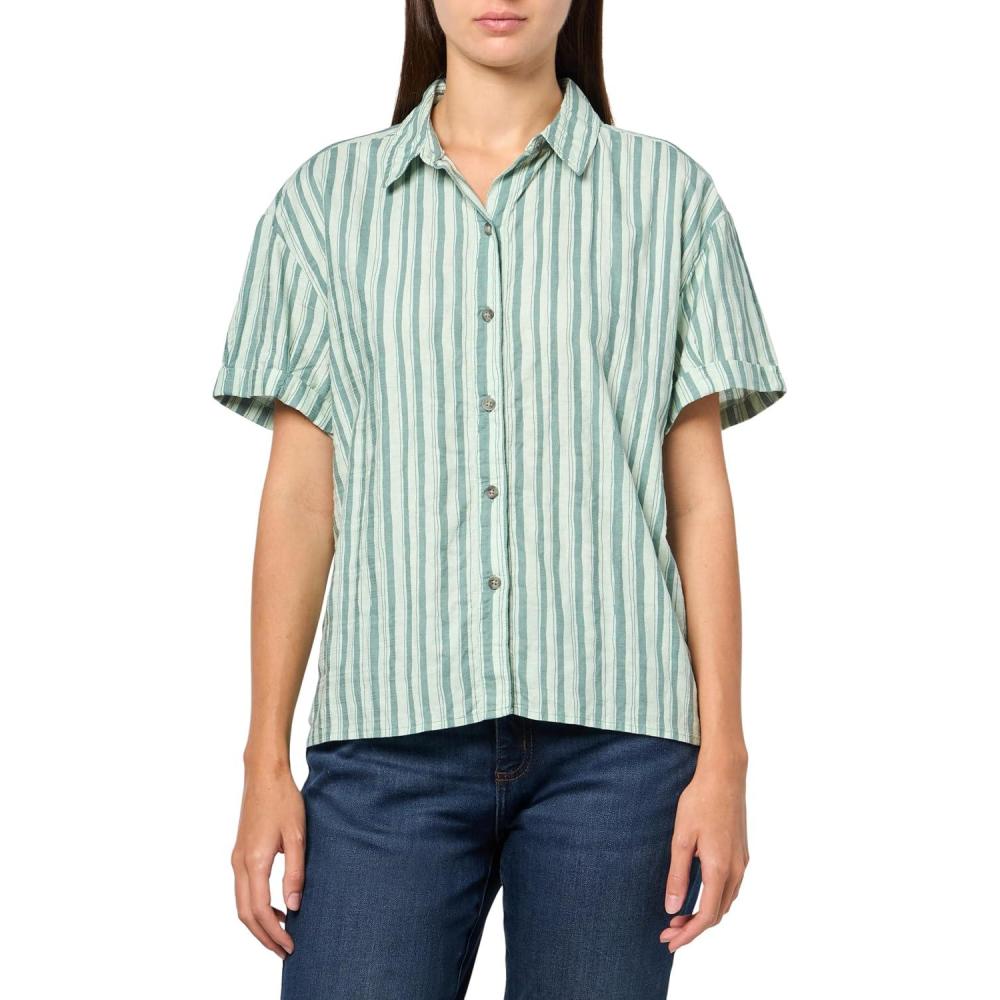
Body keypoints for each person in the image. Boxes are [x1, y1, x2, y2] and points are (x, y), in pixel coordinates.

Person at [211, 2, 787, 997]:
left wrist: (724, 758)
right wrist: (264, 759)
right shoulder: (325, 205)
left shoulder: (670, 199)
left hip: (618, 749)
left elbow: (697, 503)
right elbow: (301, 503)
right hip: (384, 747)